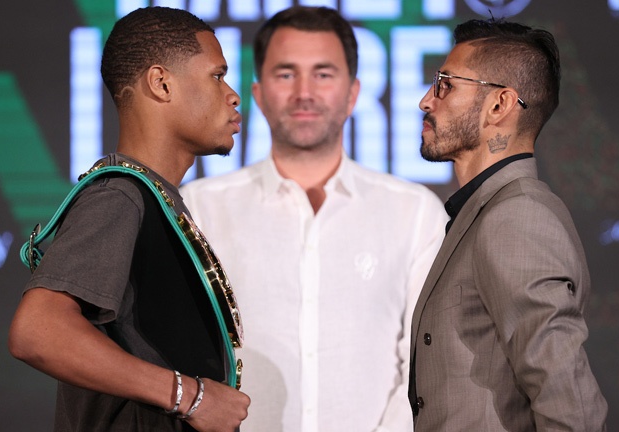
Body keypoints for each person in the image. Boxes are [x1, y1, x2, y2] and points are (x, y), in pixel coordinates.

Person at [180, 6, 447, 432]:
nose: (304, 92)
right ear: (258, 92)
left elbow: (424, 362)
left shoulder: (414, 213)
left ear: (354, 92)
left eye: (323, 74)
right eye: (286, 74)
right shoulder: (199, 209)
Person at [8, 7, 249, 432]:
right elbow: (37, 331)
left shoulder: (149, 198)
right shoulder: (119, 197)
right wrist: (190, 397)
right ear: (161, 83)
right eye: (217, 76)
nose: (232, 95)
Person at [408, 18, 608, 431]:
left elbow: (570, 402)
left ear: (499, 105)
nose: (426, 100)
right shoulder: (489, 211)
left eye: (445, 84)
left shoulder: (517, 218)